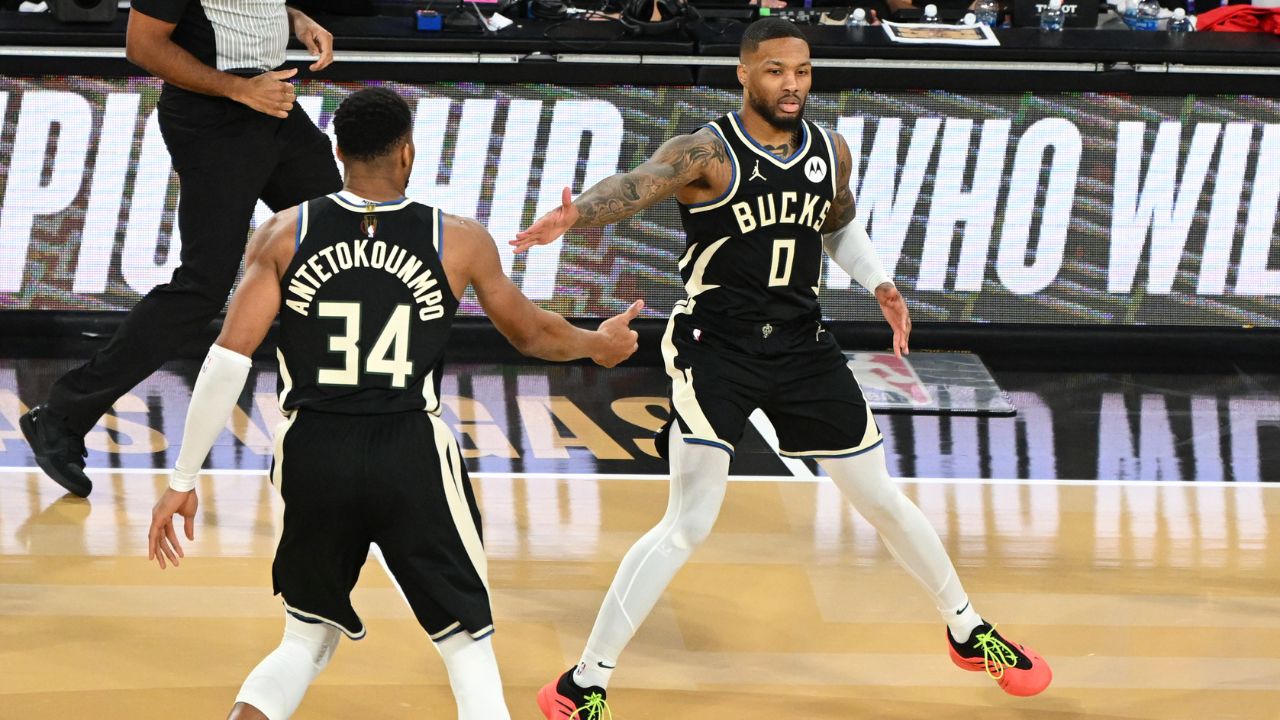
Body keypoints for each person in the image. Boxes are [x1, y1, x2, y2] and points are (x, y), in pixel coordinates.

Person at [513, 18, 1052, 718]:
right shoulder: (707, 151)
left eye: (800, 70)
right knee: (689, 523)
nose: (791, 83)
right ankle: (583, 683)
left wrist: (880, 282)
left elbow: (837, 224)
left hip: (802, 344)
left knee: (882, 498)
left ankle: (968, 629)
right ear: (745, 74)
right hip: (719, 345)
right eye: (775, 71)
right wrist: (576, 217)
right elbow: (637, 185)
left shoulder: (831, 150)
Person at [145, 87, 643, 720]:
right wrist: (597, 344)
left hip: (313, 449)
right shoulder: (457, 239)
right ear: (407, 153)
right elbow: (531, 332)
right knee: (468, 646)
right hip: (410, 449)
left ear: (336, 151)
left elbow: (227, 359)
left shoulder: (282, 232)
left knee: (303, 641)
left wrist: (183, 480)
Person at [21, 0, 343, 499]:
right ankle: (62, 414)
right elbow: (143, 45)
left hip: (272, 99)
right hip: (214, 115)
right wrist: (239, 89)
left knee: (337, 248)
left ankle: (330, 422)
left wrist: (297, 20)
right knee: (203, 285)